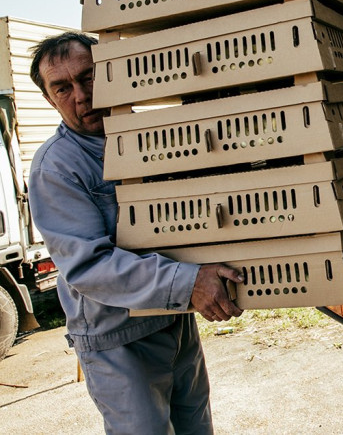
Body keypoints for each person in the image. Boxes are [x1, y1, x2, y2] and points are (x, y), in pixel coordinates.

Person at [27, 31, 244, 434]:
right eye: (63, 88)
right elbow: (90, 267)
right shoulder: (55, 168)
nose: (82, 96)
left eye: (88, 77)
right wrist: (189, 282)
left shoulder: (146, 140)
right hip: (118, 341)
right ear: (49, 99)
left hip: (173, 320)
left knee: (197, 428)